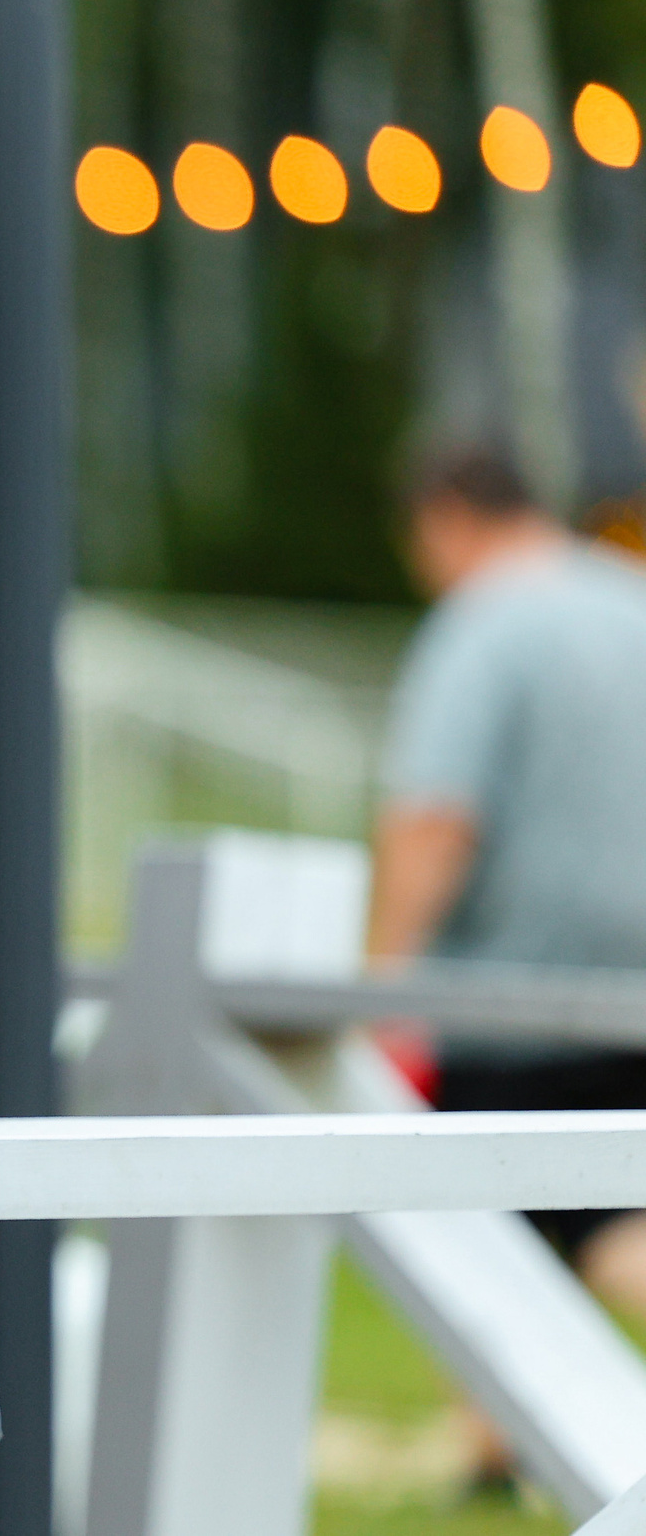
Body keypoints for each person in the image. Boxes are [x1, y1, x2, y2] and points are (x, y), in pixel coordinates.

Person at [369, 442, 646, 1316]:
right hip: (634, 988)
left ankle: (492, 1442)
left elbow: (437, 818)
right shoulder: (631, 599)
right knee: (610, 1214)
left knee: (489, 1239)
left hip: (504, 999)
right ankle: (485, 1446)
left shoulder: (483, 623)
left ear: (446, 517)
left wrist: (377, 983)